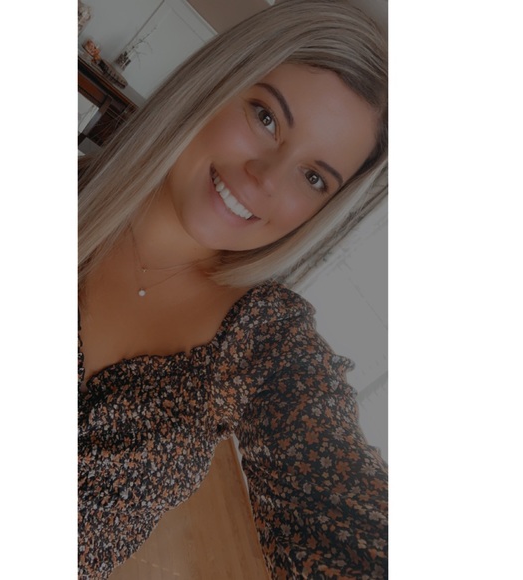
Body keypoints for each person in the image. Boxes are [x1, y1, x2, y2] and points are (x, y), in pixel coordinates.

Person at [78, 0, 388, 578]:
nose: (266, 179)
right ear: (218, 81)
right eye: (266, 118)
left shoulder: (268, 343)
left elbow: (345, 512)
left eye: (313, 177)